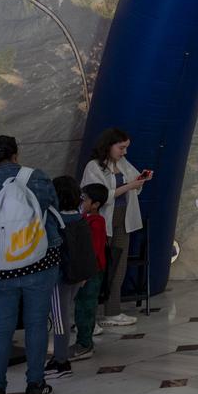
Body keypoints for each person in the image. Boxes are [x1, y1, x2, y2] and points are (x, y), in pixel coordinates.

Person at [0, 135, 63, 394]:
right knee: (35, 324)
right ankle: (35, 386)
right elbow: (51, 210)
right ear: (16, 155)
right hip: (40, 263)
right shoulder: (38, 177)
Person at [80, 128, 150, 326]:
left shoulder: (122, 163)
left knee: (118, 267)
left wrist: (139, 181)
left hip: (122, 221)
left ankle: (113, 311)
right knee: (96, 269)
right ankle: (88, 318)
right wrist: (128, 186)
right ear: (109, 145)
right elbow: (99, 196)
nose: (124, 152)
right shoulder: (93, 167)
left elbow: (134, 181)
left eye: (126, 148)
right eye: (121, 148)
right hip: (102, 223)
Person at [46, 175, 87, 379]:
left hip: (59, 277)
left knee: (60, 319)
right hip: (78, 275)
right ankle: (60, 358)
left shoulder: (54, 220)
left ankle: (61, 362)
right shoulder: (80, 218)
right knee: (65, 314)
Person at [72, 183, 109, 363]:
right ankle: (82, 341)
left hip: (91, 272)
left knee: (86, 307)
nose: (82, 201)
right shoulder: (85, 218)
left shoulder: (96, 222)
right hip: (86, 271)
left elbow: (93, 250)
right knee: (80, 306)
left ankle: (85, 343)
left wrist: (85, 274)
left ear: (95, 204)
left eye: (85, 199)